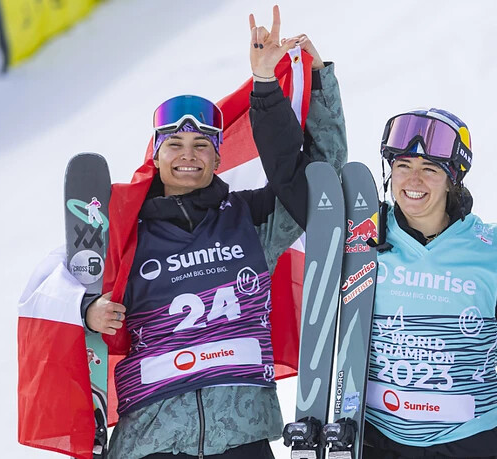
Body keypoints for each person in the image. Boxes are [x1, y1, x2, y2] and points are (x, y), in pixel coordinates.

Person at [81, 7, 347, 459]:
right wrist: (90, 310)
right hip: (150, 443)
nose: (190, 156)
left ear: (219, 156)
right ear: (156, 155)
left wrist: (297, 83)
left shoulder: (250, 221)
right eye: (176, 145)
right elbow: (67, 291)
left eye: (202, 145)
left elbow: (321, 187)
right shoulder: (121, 229)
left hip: (241, 438)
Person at [361, 108, 497, 458]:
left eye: (429, 169)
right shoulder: (365, 232)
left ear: (452, 178)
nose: (413, 181)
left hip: (468, 442)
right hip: (381, 439)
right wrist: (271, 84)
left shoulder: (490, 248)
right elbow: (294, 181)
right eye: (403, 166)